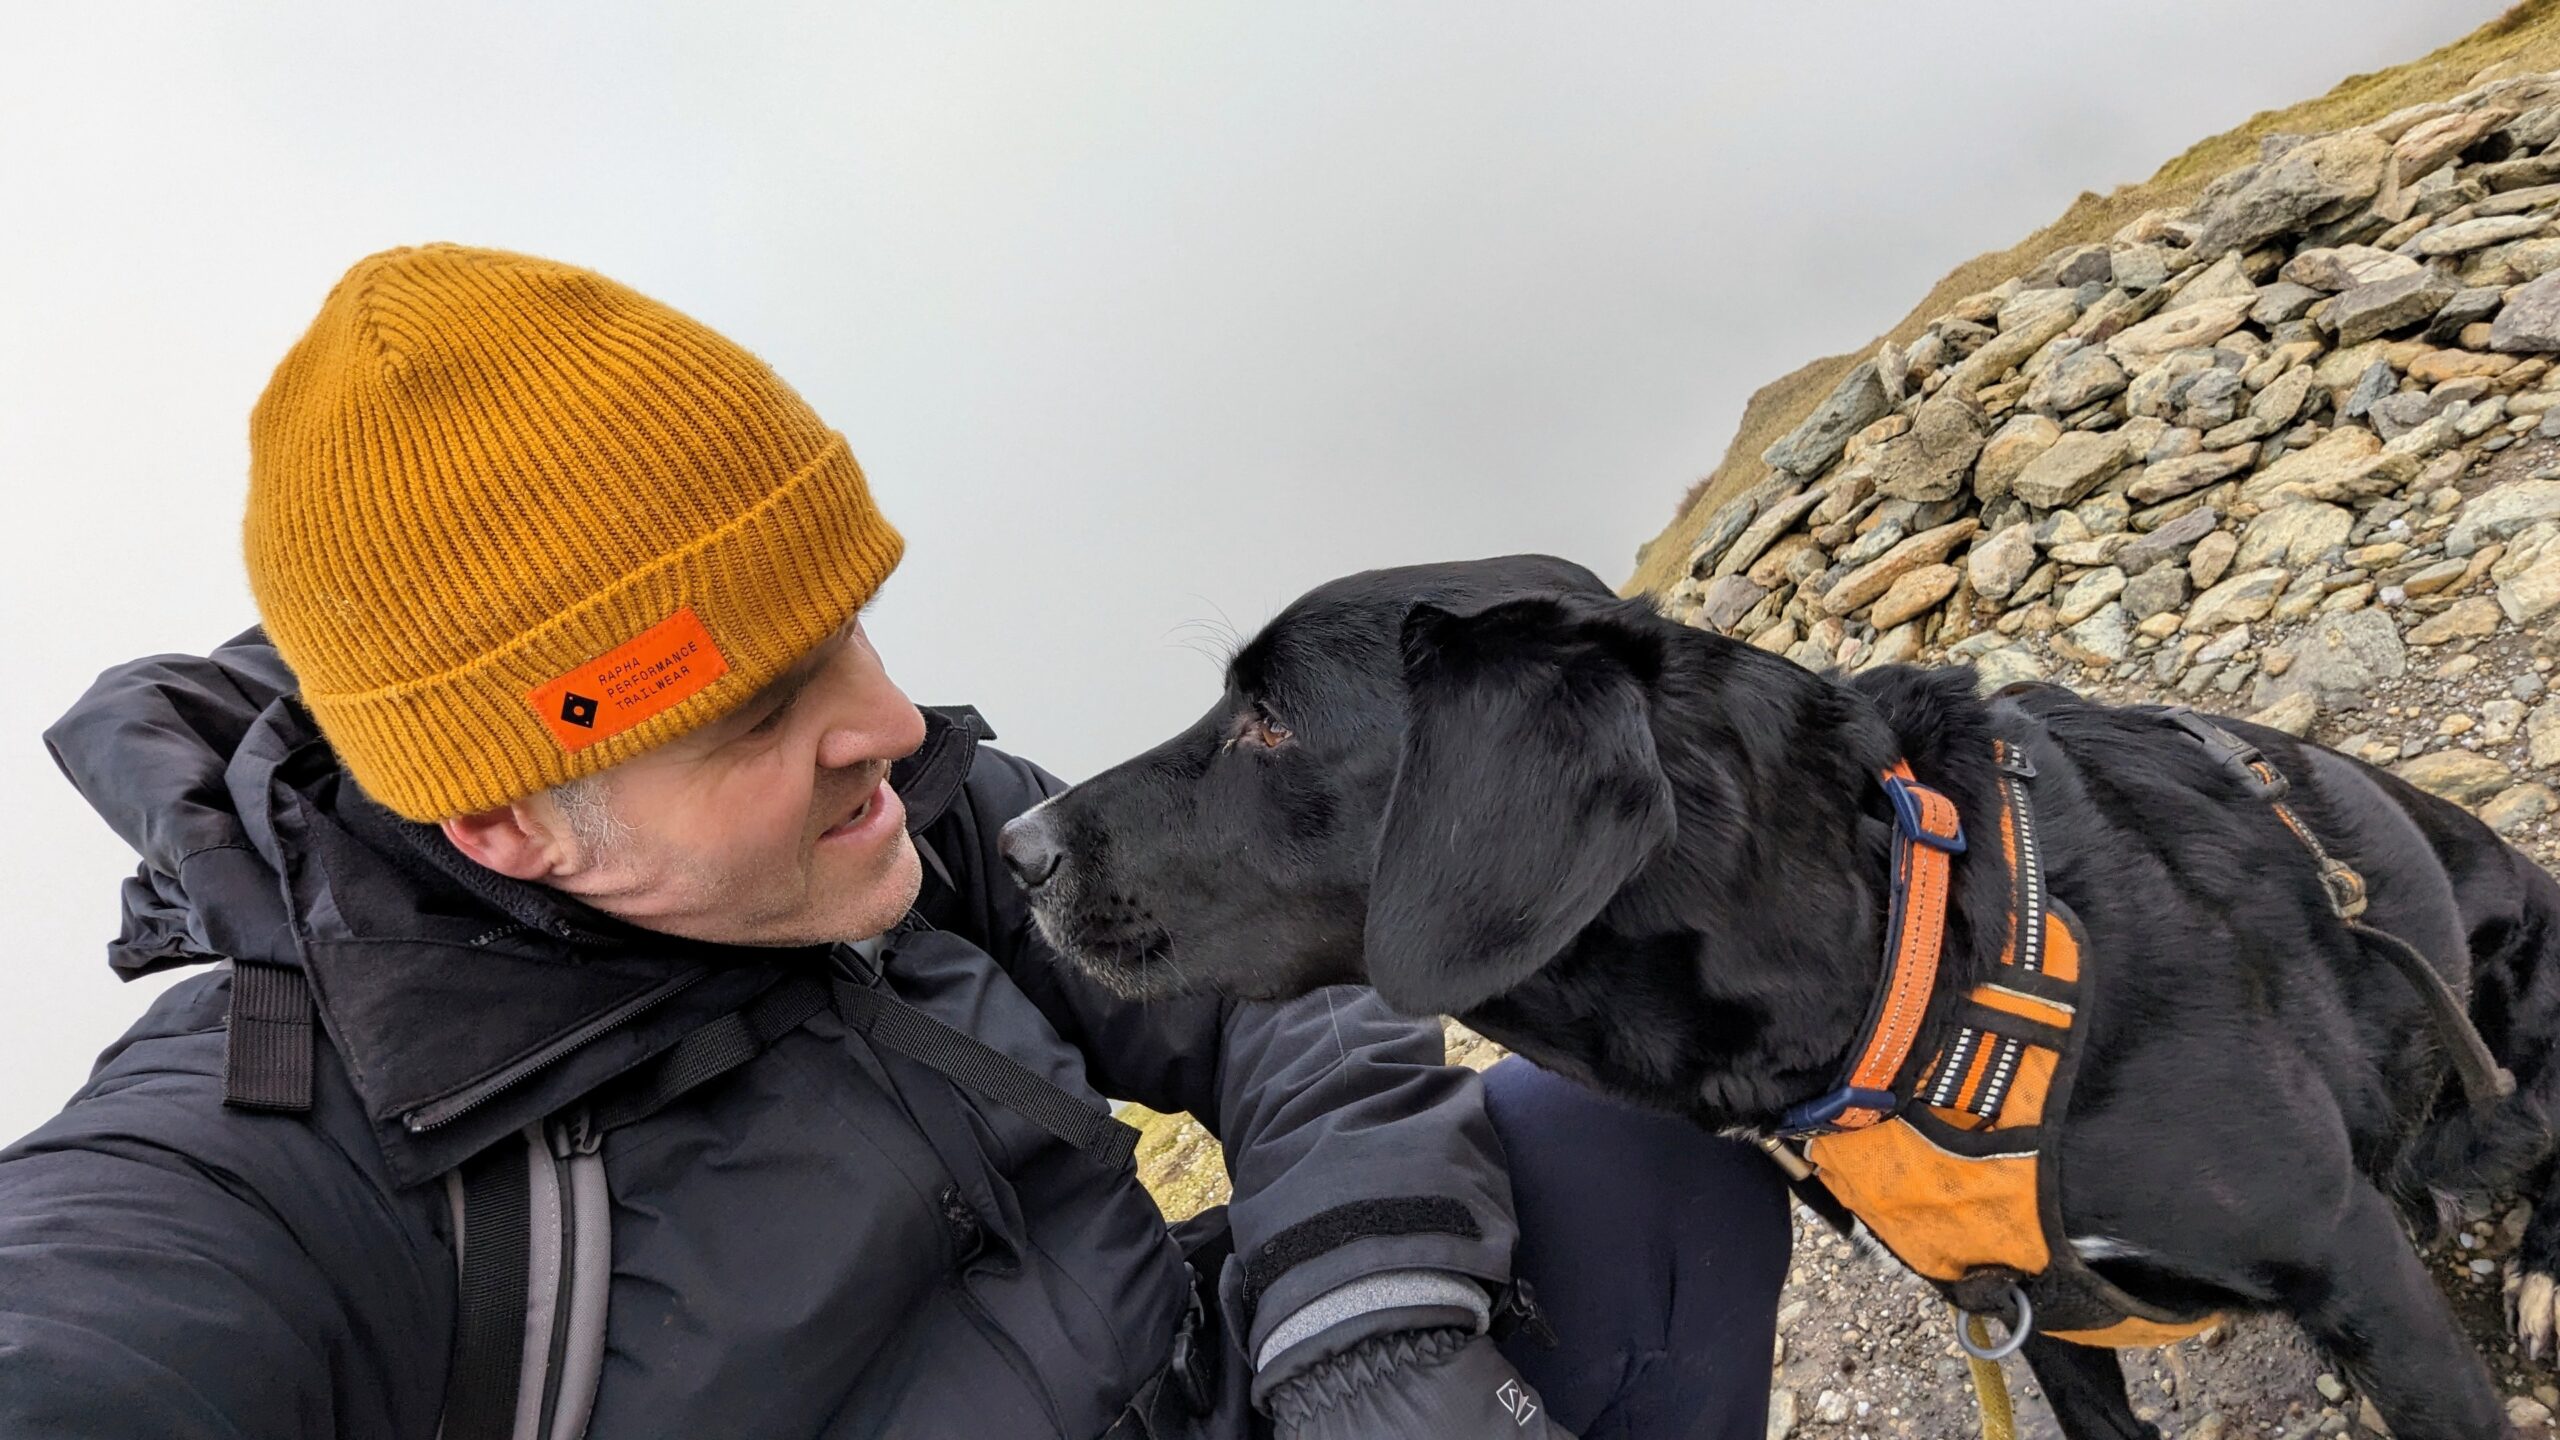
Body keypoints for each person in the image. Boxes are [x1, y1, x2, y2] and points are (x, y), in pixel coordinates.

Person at [0, 244, 1789, 1439]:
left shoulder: (900, 822)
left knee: (1640, 1165)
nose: (889, 722)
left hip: (1198, 1383)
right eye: (759, 711)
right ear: (508, 820)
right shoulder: (274, 1160)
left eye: (846, 624)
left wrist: (1369, 1333)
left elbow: (1269, 1005)